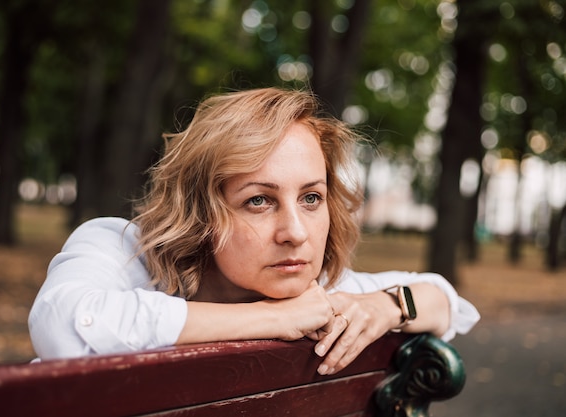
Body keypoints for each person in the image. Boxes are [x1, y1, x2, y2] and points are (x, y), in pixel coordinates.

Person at [29, 87, 479, 375]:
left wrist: (388, 305)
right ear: (198, 212)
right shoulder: (119, 247)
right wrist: (273, 319)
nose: (295, 233)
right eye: (258, 200)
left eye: (311, 198)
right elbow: (66, 325)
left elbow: (446, 301)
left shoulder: (315, 292)